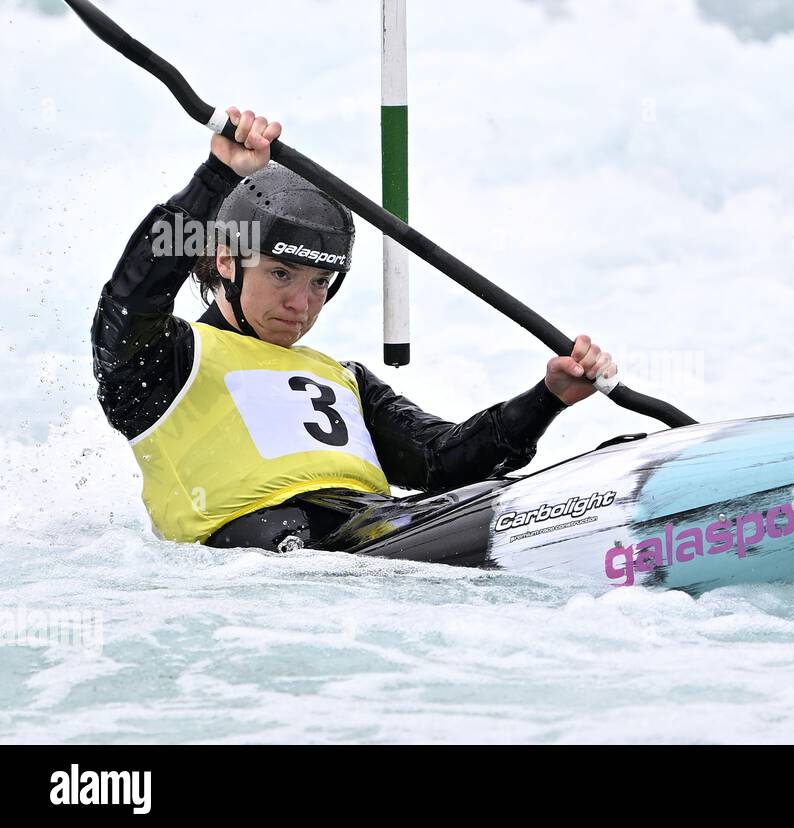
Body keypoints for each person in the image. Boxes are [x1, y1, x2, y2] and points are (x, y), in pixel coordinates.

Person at [93, 108, 617, 552]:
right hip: (272, 556)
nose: (302, 303)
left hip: (384, 532)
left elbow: (444, 461)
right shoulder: (166, 362)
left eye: (320, 282)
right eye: (281, 274)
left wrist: (547, 398)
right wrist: (216, 178)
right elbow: (133, 294)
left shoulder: (344, 379)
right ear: (226, 259)